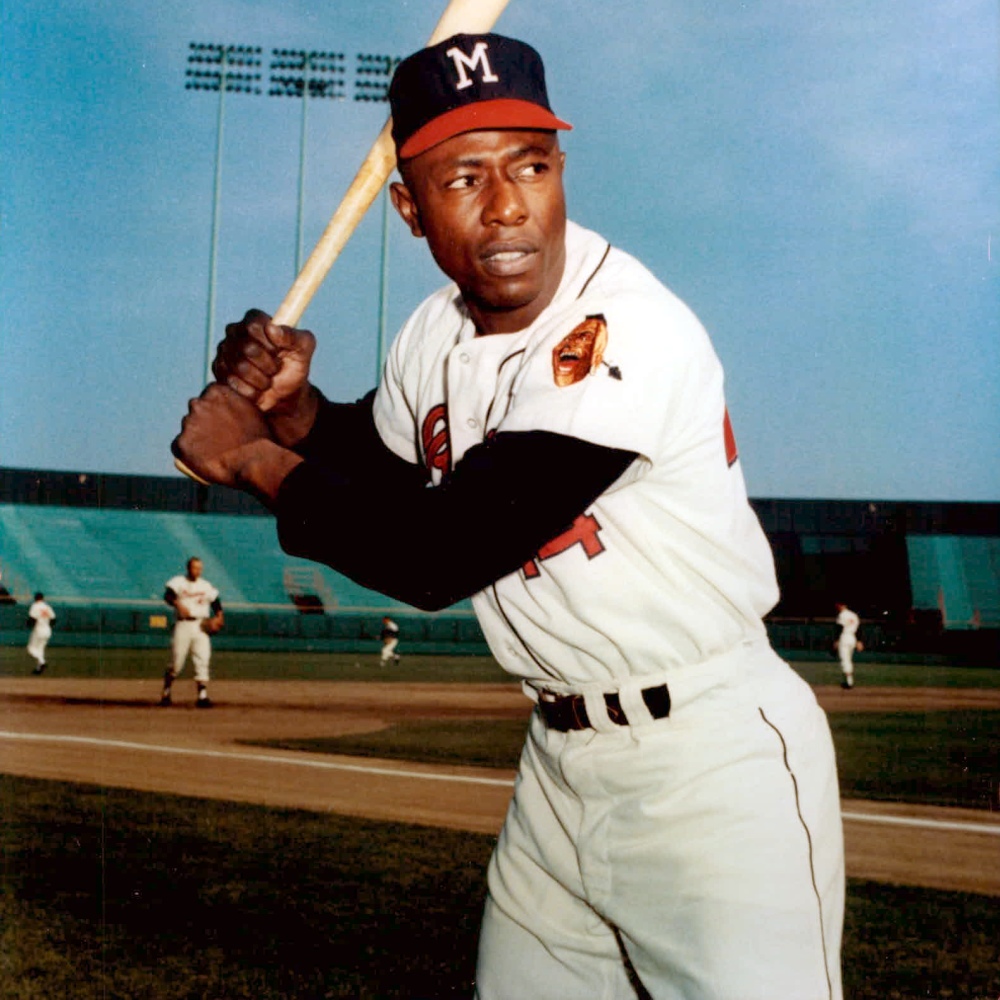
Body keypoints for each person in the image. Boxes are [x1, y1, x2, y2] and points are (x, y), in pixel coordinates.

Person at [173, 33, 845, 999]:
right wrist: (296, 412)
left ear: (561, 170)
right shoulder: (435, 333)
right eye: (463, 179)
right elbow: (392, 468)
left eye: (531, 166)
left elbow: (444, 550)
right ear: (409, 210)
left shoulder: (623, 326)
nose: (507, 207)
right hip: (558, 769)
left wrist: (251, 458)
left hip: (710, 763)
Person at [161, 557, 223, 708]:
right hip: (183, 625)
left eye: (199, 568)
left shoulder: (205, 585)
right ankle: (166, 691)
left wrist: (220, 616)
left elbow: (215, 601)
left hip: (201, 625)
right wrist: (178, 604)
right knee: (177, 662)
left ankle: (202, 696)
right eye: (195, 568)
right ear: (188, 568)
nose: (197, 571)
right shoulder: (179, 582)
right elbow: (168, 595)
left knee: (203, 659)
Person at [834, 601, 862, 689]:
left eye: (838, 605)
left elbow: (840, 628)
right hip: (852, 637)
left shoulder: (842, 615)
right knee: (848, 660)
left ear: (842, 605)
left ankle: (849, 682)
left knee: (845, 660)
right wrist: (859, 641)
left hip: (844, 637)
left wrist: (836, 640)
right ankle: (848, 681)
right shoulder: (853, 615)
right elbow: (859, 629)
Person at [26, 591, 55, 674]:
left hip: (39, 630)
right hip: (47, 630)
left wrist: (28, 625)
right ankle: (38, 669)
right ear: (43, 598)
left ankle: (42, 662)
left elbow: (32, 619)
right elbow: (53, 619)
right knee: (40, 650)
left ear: (35, 598)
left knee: (31, 649)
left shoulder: (35, 606)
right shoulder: (47, 607)